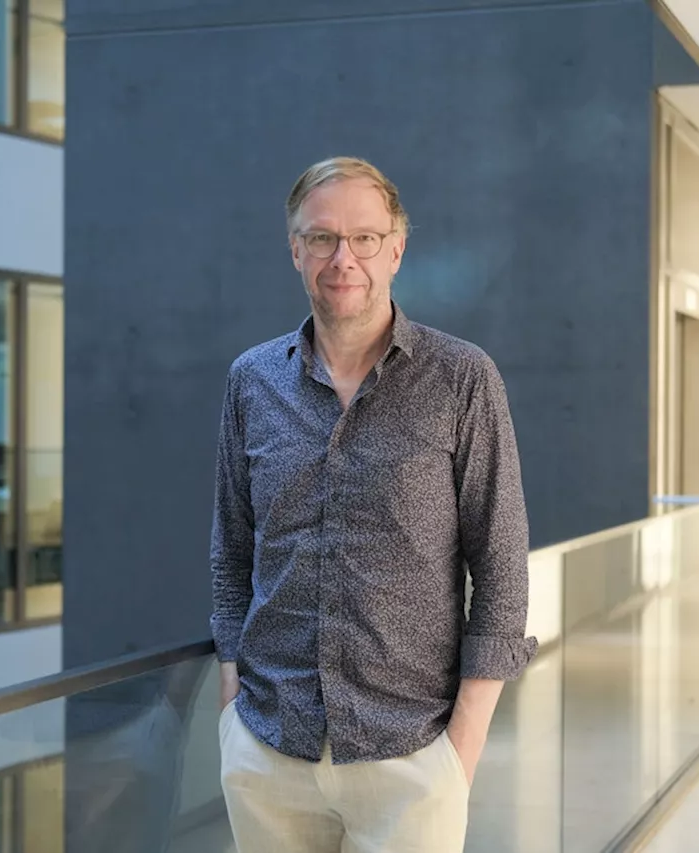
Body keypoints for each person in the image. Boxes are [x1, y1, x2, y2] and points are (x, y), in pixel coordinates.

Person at [209, 156, 537, 853]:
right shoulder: (251, 381)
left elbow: (502, 565)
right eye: (321, 236)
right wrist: (232, 708)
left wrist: (459, 752)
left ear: (397, 246)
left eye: (364, 237)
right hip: (269, 750)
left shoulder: (461, 378)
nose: (343, 257)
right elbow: (232, 550)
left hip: (410, 754)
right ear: (294, 247)